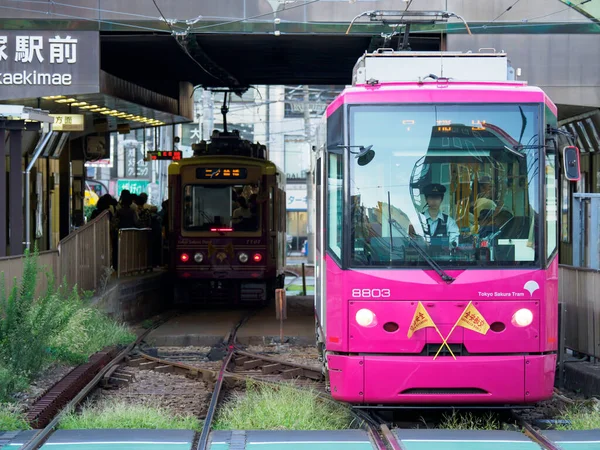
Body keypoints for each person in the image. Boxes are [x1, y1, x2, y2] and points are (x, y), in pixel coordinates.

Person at [421, 183, 459, 248]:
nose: (434, 201)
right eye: (431, 198)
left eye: (437, 198)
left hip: (442, 257)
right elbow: (412, 240)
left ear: (441, 199)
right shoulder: (418, 220)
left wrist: (432, 242)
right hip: (421, 257)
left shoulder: (449, 222)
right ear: (426, 199)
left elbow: (454, 242)